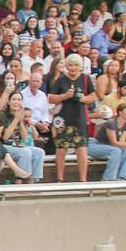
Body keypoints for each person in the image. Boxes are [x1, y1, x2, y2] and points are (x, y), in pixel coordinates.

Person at [48, 53, 94, 181]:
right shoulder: (61, 80)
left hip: (79, 117)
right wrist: (65, 96)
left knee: (81, 149)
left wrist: (83, 98)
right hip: (63, 118)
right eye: (70, 65)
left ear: (80, 67)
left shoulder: (85, 78)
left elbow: (93, 96)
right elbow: (51, 98)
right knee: (62, 149)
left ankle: (83, 180)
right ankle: (60, 178)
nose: (73, 68)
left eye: (75, 65)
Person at [0, 89, 45, 182]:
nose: (16, 102)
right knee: (25, 152)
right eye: (14, 100)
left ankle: (34, 180)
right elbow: (4, 137)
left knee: (39, 152)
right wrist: (16, 119)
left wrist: (21, 121)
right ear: (9, 102)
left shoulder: (21, 115)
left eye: (19, 100)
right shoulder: (2, 115)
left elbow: (24, 137)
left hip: (17, 145)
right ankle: (21, 180)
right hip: (4, 146)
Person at [89, 101, 126, 181]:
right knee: (116, 150)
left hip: (108, 146)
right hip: (95, 145)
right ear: (120, 112)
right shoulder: (111, 123)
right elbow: (114, 142)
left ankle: (122, 176)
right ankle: (109, 178)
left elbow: (121, 142)